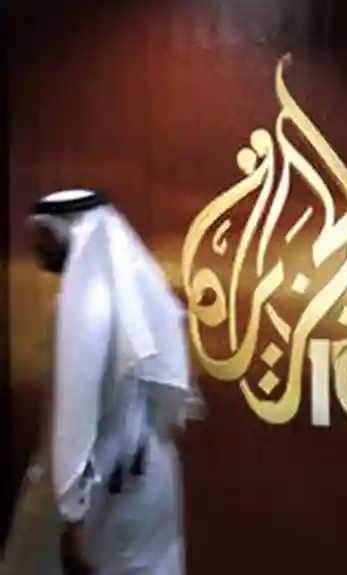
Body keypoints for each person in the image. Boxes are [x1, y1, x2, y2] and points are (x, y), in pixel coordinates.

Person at [3, 189, 205, 574]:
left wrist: (72, 512)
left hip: (106, 488)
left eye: (42, 235)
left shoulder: (86, 306)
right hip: (153, 476)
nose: (36, 248)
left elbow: (76, 414)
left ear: (67, 233)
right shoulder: (140, 293)